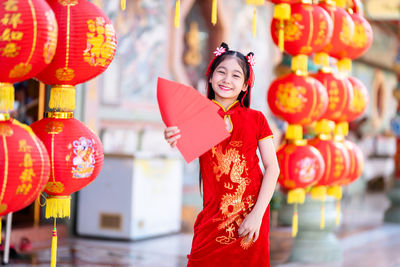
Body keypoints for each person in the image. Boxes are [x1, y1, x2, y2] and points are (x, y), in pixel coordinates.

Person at [164, 42, 280, 266]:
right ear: (210, 77)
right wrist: (171, 136)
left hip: (250, 216)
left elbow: (272, 168)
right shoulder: (196, 117)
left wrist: (256, 215)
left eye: (236, 75)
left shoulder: (256, 119)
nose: (227, 79)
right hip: (212, 218)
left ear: (245, 85)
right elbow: (179, 139)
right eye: (221, 72)